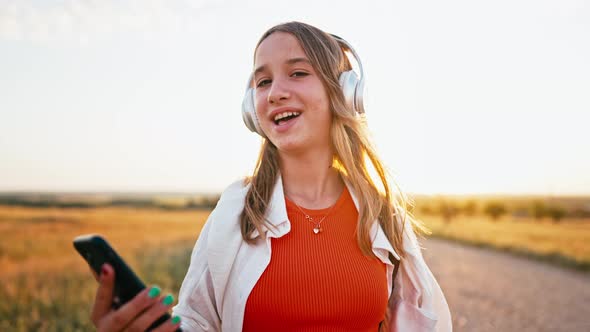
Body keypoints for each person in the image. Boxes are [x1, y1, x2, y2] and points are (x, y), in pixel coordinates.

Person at [90, 21, 452, 332]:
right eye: (262, 82)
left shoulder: (381, 215)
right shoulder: (235, 214)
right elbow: (196, 321)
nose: (276, 92)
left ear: (344, 92)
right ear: (252, 108)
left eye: (297, 73)